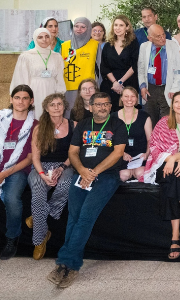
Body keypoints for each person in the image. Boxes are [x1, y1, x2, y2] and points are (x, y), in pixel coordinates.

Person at [49, 92, 125, 288]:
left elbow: (118, 153)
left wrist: (94, 172)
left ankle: (65, 263)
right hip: (81, 175)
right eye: (98, 104)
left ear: (110, 107)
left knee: (85, 218)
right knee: (73, 218)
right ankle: (69, 266)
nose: (102, 107)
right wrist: (83, 171)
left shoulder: (117, 124)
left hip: (106, 176)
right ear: (91, 107)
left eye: (106, 104)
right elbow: (73, 152)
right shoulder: (83, 125)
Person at [140, 92, 180, 259]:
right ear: (172, 105)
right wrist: (172, 159)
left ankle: (175, 237)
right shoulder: (163, 122)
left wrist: (177, 158)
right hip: (163, 161)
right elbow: (155, 147)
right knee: (173, 175)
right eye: (176, 102)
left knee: (172, 179)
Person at [27, 93, 74, 260]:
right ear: (46, 108)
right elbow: (35, 157)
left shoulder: (73, 125)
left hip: (66, 165)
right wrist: (42, 174)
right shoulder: (39, 128)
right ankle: (40, 240)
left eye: (59, 104)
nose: (56, 107)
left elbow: (75, 153)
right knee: (38, 189)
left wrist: (62, 167)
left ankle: (38, 214)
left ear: (64, 106)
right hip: (42, 166)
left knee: (66, 183)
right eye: (52, 105)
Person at [0, 85, 37, 260]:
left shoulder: (35, 125)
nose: (20, 101)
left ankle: (12, 238)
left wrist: (4, 174)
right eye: (17, 97)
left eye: (25, 98)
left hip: (19, 170)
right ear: (11, 99)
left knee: (11, 198)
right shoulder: (1, 119)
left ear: (31, 101)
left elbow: (29, 158)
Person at [11, 28, 66, 119]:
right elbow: (20, 78)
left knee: (51, 118)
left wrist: (59, 95)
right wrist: (24, 97)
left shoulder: (57, 56)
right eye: (40, 37)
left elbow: (60, 78)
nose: (44, 39)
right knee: (35, 117)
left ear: (51, 38)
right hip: (34, 91)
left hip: (51, 91)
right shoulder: (26, 56)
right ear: (35, 39)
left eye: (47, 36)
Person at [137, 24, 180, 126]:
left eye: (163, 34)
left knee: (167, 123)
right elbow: (141, 69)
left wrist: (175, 89)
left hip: (167, 88)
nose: (163, 38)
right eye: (158, 36)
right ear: (150, 38)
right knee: (150, 121)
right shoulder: (144, 47)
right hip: (150, 89)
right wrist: (142, 86)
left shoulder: (172, 45)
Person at [100, 15, 139, 112]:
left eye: (121, 25)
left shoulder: (133, 43)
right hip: (111, 84)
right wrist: (115, 83)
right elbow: (104, 66)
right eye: (116, 25)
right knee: (109, 113)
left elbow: (134, 65)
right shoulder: (107, 45)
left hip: (128, 82)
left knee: (128, 113)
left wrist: (120, 82)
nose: (117, 28)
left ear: (127, 27)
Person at [61, 17, 98, 114]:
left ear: (88, 29)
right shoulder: (64, 46)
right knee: (69, 114)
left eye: (83, 27)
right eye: (76, 26)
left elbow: (100, 68)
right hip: (69, 88)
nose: (79, 29)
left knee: (88, 114)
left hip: (88, 90)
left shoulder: (95, 45)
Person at [117, 87, 152, 182]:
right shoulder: (113, 117)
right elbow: (110, 140)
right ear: (121, 98)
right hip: (121, 156)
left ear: (137, 98)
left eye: (133, 96)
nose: (129, 99)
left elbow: (150, 139)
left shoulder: (145, 116)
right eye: (126, 96)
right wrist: (121, 153)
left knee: (141, 174)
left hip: (141, 156)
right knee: (123, 175)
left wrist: (147, 153)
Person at [91, 22, 106, 87]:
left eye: (100, 31)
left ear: (103, 33)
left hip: (105, 77)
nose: (97, 33)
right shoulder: (86, 46)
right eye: (94, 31)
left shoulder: (108, 46)